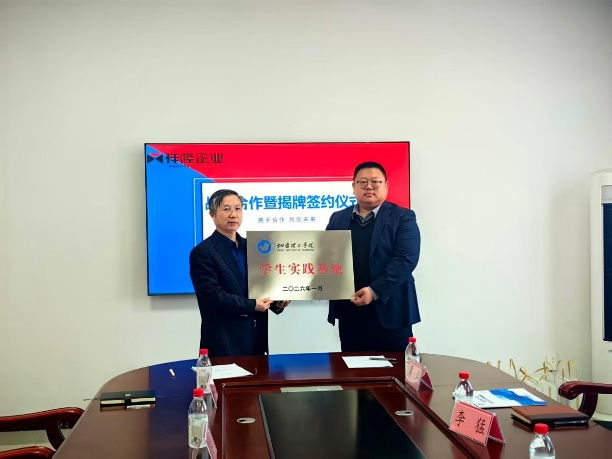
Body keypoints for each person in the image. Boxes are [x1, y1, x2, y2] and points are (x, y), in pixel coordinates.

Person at [326, 161, 421, 352]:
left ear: (386, 185)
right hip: (350, 310)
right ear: (353, 186)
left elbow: (406, 259)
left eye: (375, 182)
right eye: (362, 182)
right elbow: (325, 256)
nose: (369, 186)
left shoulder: (403, 217)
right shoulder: (338, 217)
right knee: (351, 366)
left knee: (394, 368)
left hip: (390, 310)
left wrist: (373, 291)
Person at [190, 189, 290, 357]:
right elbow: (212, 296)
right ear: (212, 215)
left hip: (257, 340)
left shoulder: (254, 247)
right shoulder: (203, 252)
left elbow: (261, 286)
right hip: (224, 342)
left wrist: (276, 302)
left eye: (238, 209)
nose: (233, 215)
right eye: (226, 209)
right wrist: (252, 305)